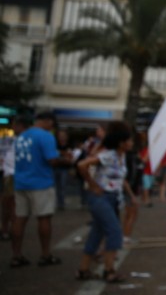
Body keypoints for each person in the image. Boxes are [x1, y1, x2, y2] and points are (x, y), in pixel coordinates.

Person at [75, 121, 136, 283]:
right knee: (114, 232)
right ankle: (109, 270)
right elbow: (82, 165)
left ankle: (83, 269)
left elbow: (120, 180)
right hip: (101, 198)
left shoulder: (121, 157)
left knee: (97, 233)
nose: (132, 143)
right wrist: (93, 185)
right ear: (122, 143)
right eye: (129, 140)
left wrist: (130, 195)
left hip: (113, 198)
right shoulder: (108, 155)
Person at [11, 111, 71, 268]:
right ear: (47, 121)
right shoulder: (46, 136)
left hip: (21, 182)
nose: (52, 127)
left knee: (19, 218)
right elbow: (51, 160)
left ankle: (16, 255)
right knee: (44, 218)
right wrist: (66, 160)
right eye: (52, 124)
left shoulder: (22, 136)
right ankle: (45, 255)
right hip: (40, 182)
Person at [53, 130, 72, 211]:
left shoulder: (69, 145)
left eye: (63, 135)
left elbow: (70, 157)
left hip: (64, 169)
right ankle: (58, 203)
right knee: (56, 186)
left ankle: (62, 203)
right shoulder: (55, 144)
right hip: (55, 168)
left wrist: (61, 154)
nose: (62, 137)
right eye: (60, 135)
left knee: (63, 186)